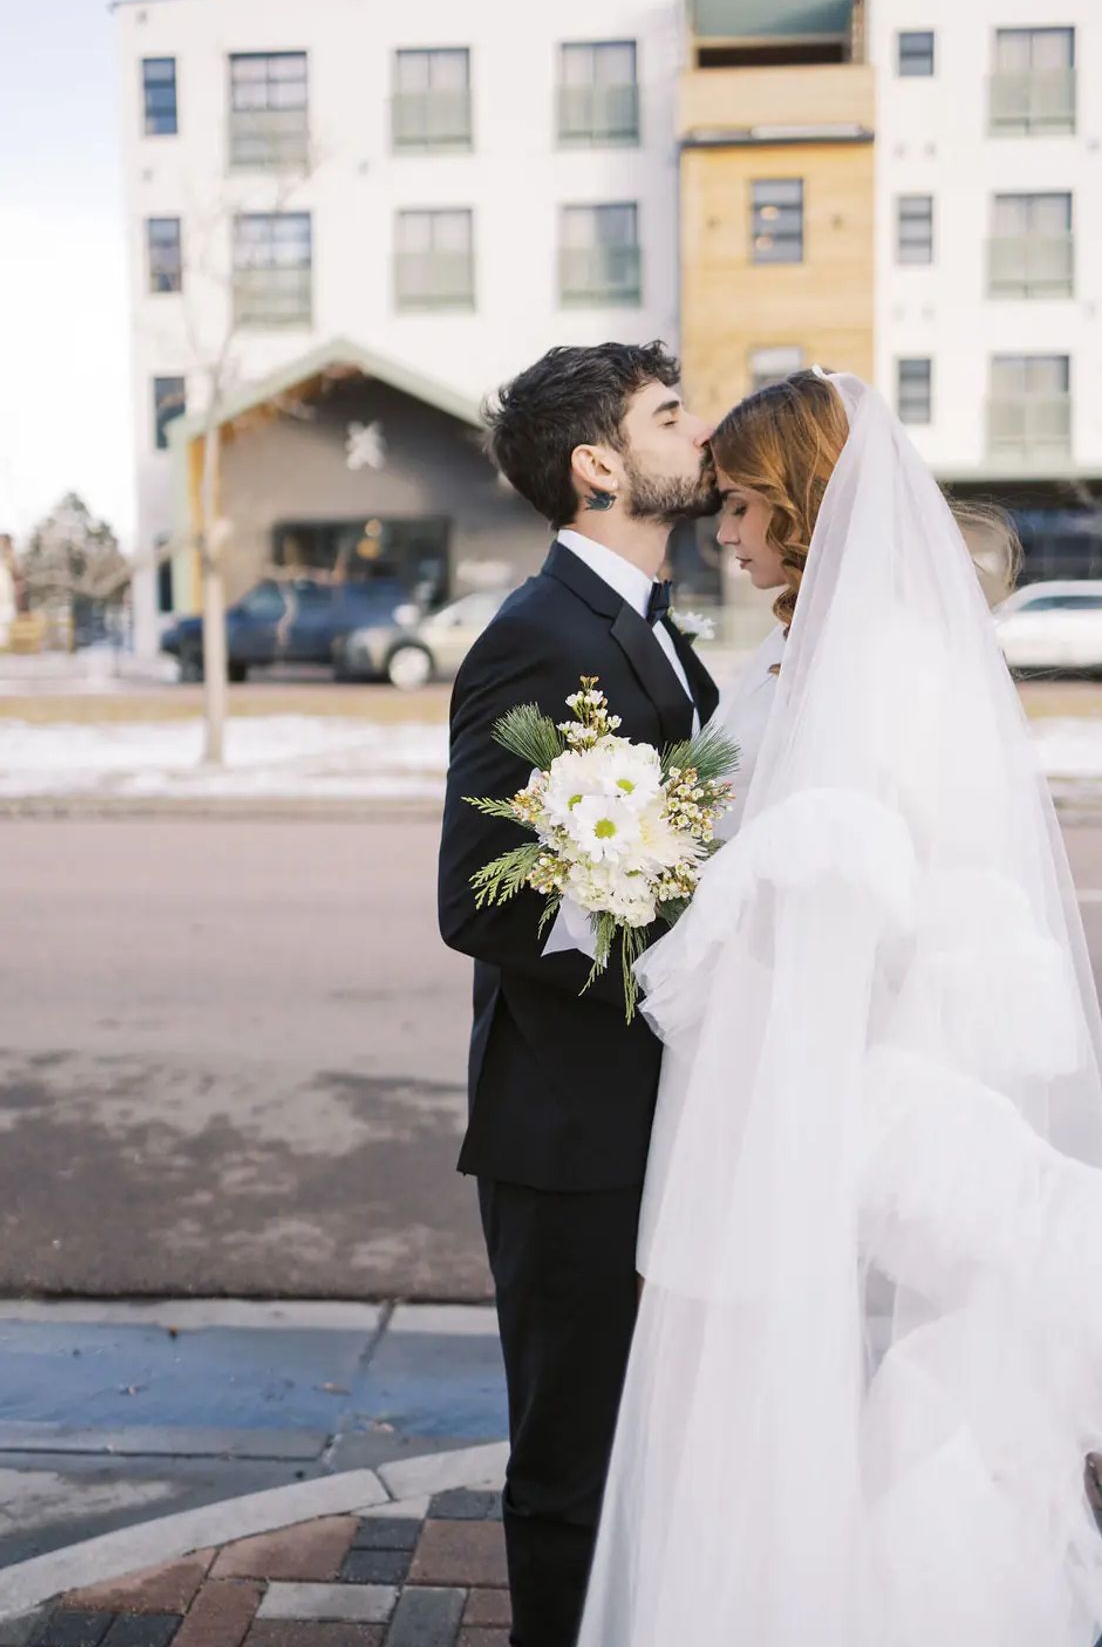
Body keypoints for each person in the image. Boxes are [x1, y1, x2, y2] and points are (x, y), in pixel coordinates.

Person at [576, 369, 1102, 1647]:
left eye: (747, 508)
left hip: (849, 1080)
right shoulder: (797, 654)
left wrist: (760, 886)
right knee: (755, 1404)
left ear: (807, 503)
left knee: (823, 1393)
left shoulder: (898, 665)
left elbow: (914, 887)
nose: (730, 535)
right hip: (773, 1078)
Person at [437, 341, 720, 1647]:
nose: (700, 430)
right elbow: (480, 897)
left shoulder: (655, 628)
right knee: (570, 1475)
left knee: (653, 1452)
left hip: (661, 1122)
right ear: (599, 465)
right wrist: (659, 913)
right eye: (673, 416)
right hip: (572, 1138)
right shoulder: (534, 636)